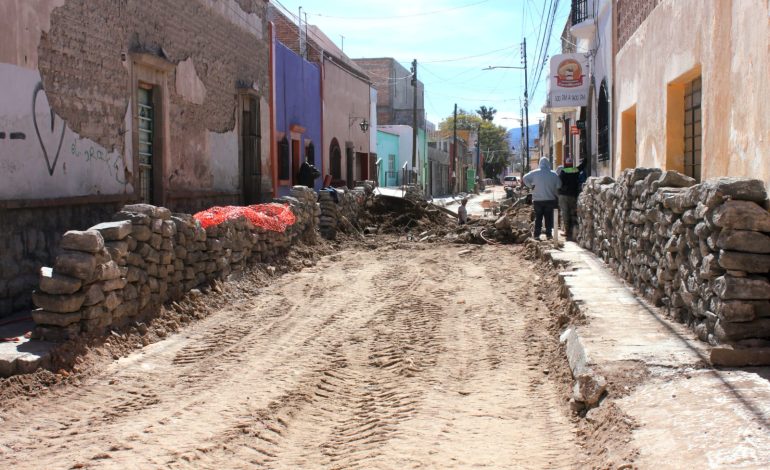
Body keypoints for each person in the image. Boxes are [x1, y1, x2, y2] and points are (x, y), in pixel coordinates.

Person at [523, 156, 561, 240]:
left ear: (540, 163)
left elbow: (524, 178)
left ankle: (536, 235)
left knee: (538, 218)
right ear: (548, 164)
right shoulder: (553, 174)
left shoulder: (535, 173)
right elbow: (559, 185)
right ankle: (548, 234)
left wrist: (530, 186)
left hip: (537, 200)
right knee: (548, 218)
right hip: (550, 200)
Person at [558, 161, 583, 241]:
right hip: (573, 195)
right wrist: (585, 158)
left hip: (563, 195)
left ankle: (567, 231)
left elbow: (559, 183)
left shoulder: (563, 172)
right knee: (573, 212)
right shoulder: (575, 170)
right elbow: (582, 166)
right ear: (572, 165)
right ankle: (574, 231)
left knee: (565, 212)